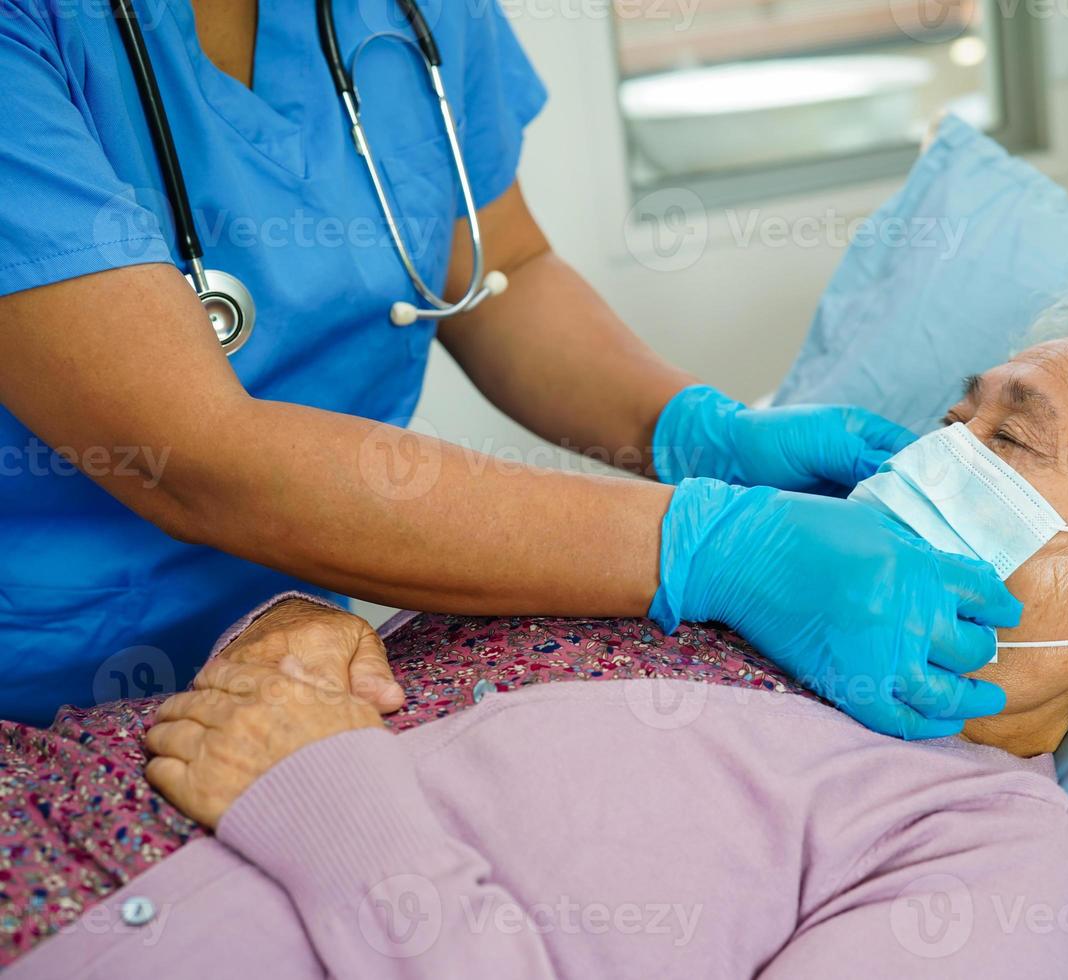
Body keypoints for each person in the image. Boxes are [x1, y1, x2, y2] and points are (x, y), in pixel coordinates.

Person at [2, 273, 1068, 977]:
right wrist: (303, 617)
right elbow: (353, 594)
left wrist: (331, 804)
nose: (942, 446)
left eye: (1012, 438)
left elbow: (331, 776)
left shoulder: (997, 856)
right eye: (955, 412)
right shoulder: (711, 575)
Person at [0, 0, 1015, 735]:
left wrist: (689, 428)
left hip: (306, 647)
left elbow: (503, 271)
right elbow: (194, 454)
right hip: (36, 682)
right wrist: (706, 543)